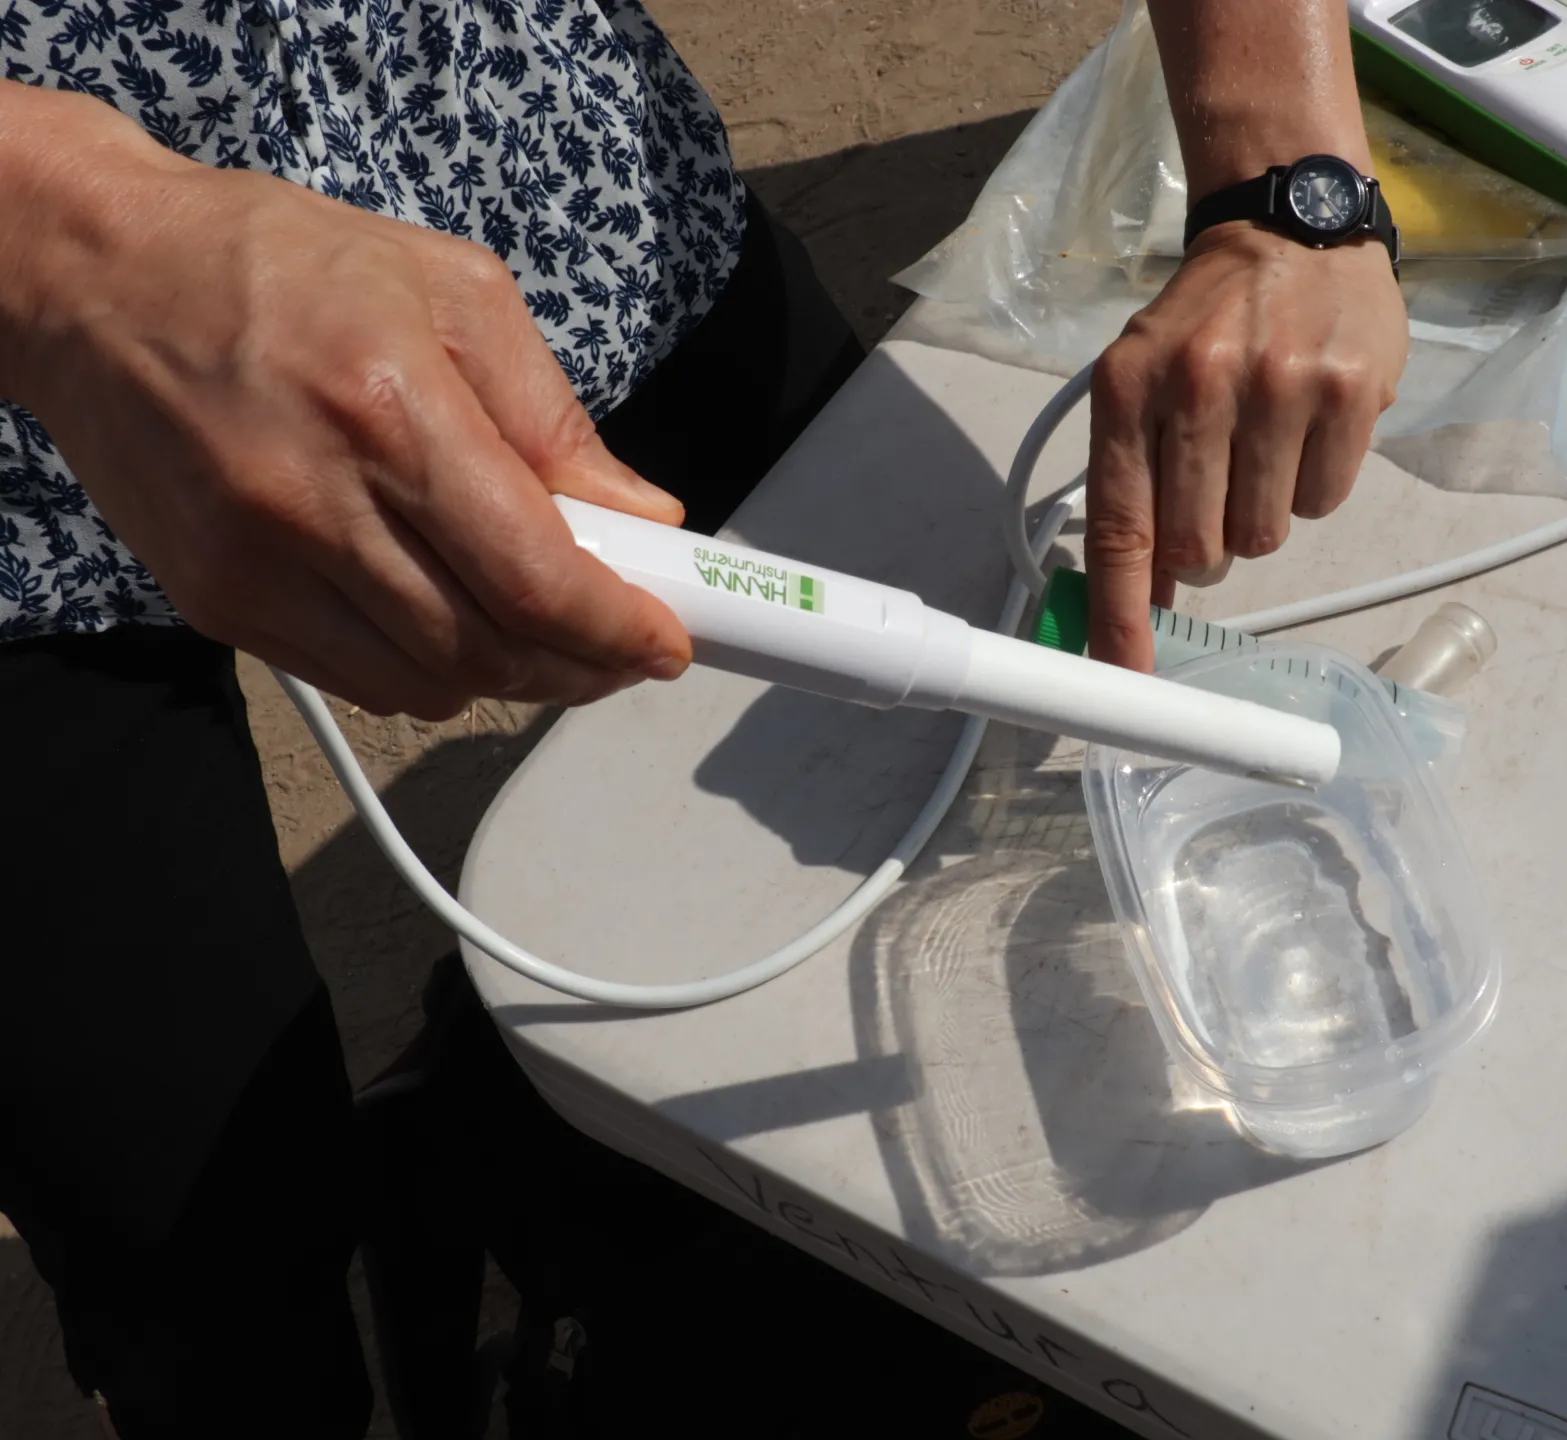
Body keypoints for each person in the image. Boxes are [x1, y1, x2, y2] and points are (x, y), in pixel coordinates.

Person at [0, 0, 1407, 1435]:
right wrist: (63, 230)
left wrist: (1285, 182)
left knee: (806, 905)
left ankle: (540, 1202)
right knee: (198, 1224)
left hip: (531, 167)